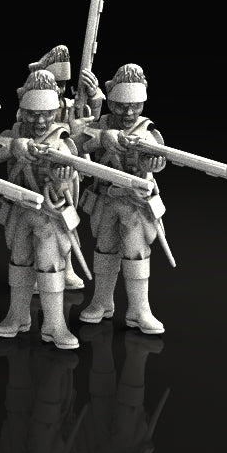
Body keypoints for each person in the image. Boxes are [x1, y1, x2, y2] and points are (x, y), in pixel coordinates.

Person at [0, 68, 81, 349]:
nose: (40, 121)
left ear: (56, 112)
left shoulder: (61, 141)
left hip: (50, 216)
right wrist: (12, 148)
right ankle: (18, 316)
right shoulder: (15, 134)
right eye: (33, 114)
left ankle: (55, 324)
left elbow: (71, 180)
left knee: (50, 265)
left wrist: (62, 179)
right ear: (23, 112)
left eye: (46, 114)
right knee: (20, 262)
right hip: (20, 212)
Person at [78, 64, 167, 335]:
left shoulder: (147, 130)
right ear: (111, 102)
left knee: (136, 253)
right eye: (121, 106)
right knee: (105, 249)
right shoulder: (101, 126)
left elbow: (158, 158)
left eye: (135, 107)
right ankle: (102, 302)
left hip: (135, 203)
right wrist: (102, 139)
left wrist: (154, 163)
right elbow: (76, 143)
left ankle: (139, 310)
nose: (128, 113)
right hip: (105, 199)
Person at [28, 45, 105, 290]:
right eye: (56, 83)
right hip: (39, 170)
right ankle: (38, 271)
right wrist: (72, 130)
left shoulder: (70, 103)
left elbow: (92, 119)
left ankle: (67, 266)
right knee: (40, 222)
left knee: (67, 219)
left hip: (67, 171)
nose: (60, 89)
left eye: (62, 84)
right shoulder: (33, 105)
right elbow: (33, 132)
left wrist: (94, 94)